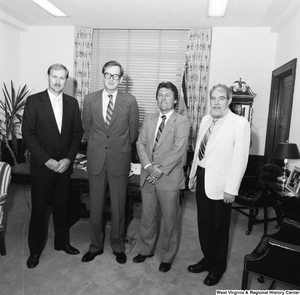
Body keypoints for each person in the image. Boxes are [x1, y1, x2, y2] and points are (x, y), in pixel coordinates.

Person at [187, 84, 250, 286]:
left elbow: (240, 159)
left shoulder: (239, 124)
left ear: (229, 101)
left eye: (221, 98)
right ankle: (208, 259)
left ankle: (217, 268)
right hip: (203, 177)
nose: (216, 102)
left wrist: (232, 188)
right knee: (204, 225)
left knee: (219, 228)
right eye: (213, 98)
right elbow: (199, 151)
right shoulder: (206, 119)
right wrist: (194, 174)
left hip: (222, 185)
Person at [22, 63, 84, 269]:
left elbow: (77, 134)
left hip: (64, 168)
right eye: (54, 77)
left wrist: (68, 159)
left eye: (62, 78)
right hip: (42, 167)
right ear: (48, 77)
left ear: (66, 80)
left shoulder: (73, 103)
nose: (58, 81)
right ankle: (35, 250)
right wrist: (47, 160)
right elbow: (28, 135)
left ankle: (62, 242)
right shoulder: (33, 101)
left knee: (62, 207)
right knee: (39, 210)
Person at [82, 60, 139, 265]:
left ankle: (118, 246)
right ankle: (95, 246)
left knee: (118, 206)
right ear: (103, 75)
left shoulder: (130, 101)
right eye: (108, 74)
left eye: (116, 76)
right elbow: (87, 128)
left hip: (119, 159)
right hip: (96, 158)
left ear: (121, 79)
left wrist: (118, 146)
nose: (111, 79)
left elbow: (132, 133)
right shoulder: (89, 100)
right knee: (95, 206)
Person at [133, 82, 189, 273]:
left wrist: (160, 170)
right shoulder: (149, 118)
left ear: (175, 100)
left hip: (169, 178)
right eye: (160, 95)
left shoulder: (182, 121)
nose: (163, 98)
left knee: (169, 221)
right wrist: (149, 166)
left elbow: (178, 150)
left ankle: (167, 256)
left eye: (167, 95)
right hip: (148, 176)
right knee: (147, 218)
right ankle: (146, 249)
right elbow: (140, 144)